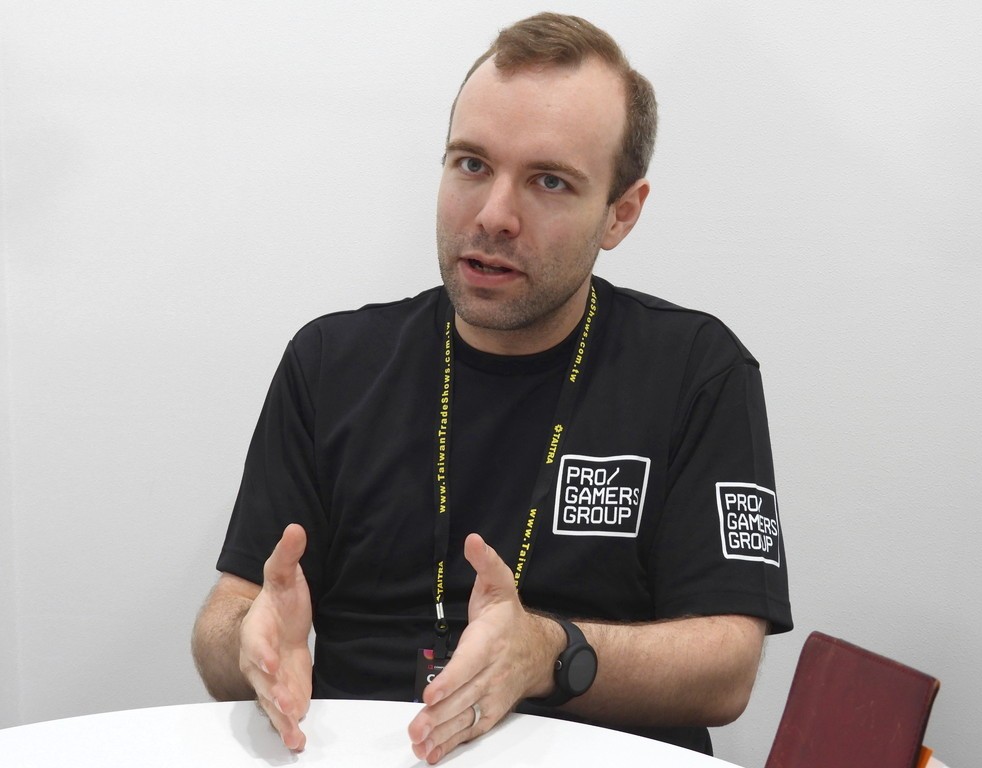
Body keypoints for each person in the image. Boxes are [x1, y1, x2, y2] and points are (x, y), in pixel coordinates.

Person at [192, 12, 792, 764]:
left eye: (549, 181)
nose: (493, 215)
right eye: (472, 165)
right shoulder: (329, 363)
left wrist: (549, 654)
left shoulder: (697, 371)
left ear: (621, 214)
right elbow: (227, 615)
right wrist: (247, 645)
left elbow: (727, 667)